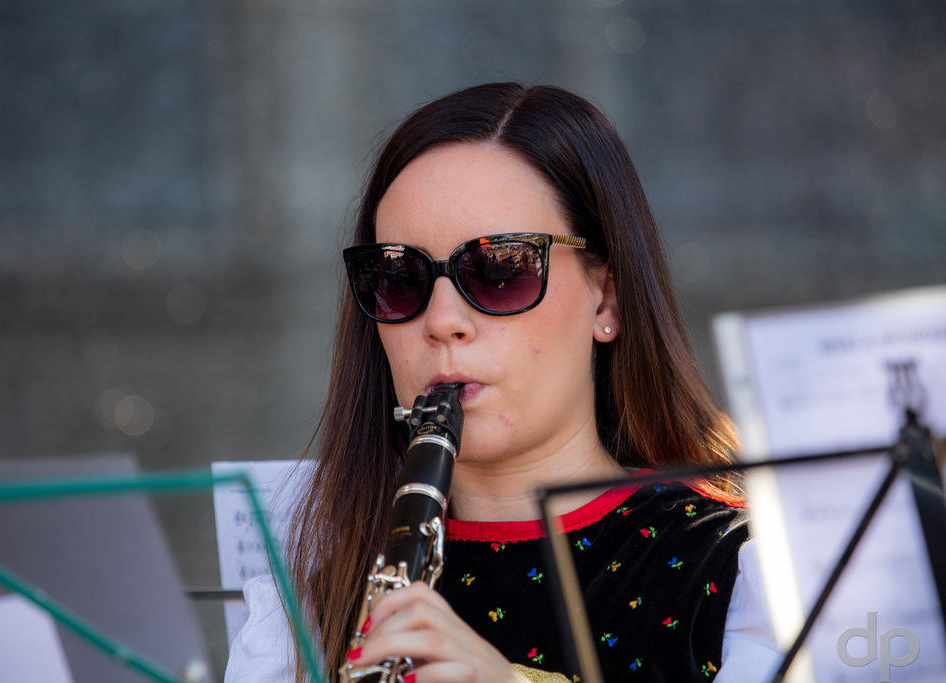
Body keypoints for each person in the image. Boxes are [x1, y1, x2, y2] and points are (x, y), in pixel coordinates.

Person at [226, 82, 777, 682]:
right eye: (399, 277)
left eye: (500, 269)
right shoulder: (308, 613)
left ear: (606, 300)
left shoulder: (752, 577)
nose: (442, 321)